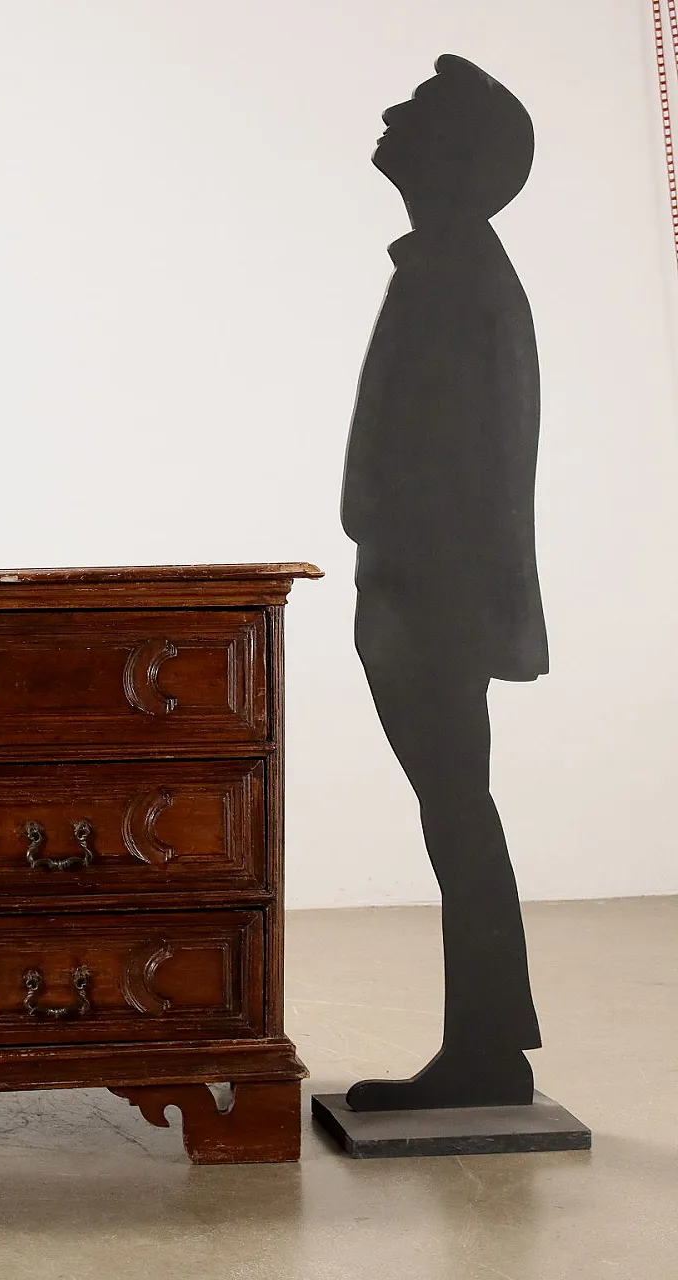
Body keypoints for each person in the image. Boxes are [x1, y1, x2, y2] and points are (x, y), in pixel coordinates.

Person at [340, 54, 547, 1110]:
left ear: (454, 156)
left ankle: (483, 1048)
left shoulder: (456, 274)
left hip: (433, 594)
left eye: (416, 110)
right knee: (453, 807)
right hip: (420, 588)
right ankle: (487, 1038)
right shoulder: (447, 267)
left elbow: (470, 459)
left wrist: (426, 589)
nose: (388, 113)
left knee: (455, 808)